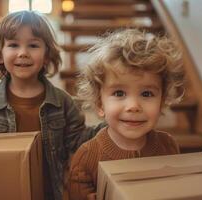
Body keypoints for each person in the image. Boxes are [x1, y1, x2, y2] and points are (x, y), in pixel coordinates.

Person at [0, 11, 102, 200]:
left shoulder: (63, 102)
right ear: (0, 55)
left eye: (33, 45)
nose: (23, 53)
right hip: (1, 191)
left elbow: (80, 140)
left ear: (47, 55)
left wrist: (113, 124)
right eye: (13, 45)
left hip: (49, 193)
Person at [65, 29, 185, 200]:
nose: (133, 106)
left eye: (147, 94)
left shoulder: (169, 146)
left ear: (161, 102)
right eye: (119, 93)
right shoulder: (86, 157)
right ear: (100, 104)